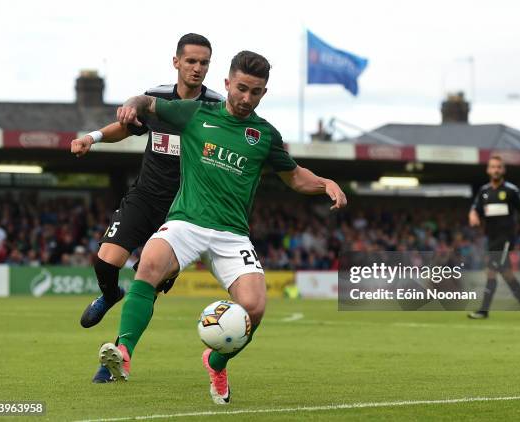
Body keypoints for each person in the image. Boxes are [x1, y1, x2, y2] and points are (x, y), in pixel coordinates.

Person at [97, 50, 347, 405]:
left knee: (254, 308)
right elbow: (149, 103)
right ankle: (124, 351)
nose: (247, 98)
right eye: (242, 88)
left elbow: (294, 177)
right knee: (149, 263)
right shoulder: (195, 113)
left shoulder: (264, 135)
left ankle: (216, 362)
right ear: (227, 83)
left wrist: (325, 183)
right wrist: (131, 104)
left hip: (232, 234)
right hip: (186, 222)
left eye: (256, 92)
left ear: (263, 93)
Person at [72, 33, 223, 383]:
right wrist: (90, 138)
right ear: (176, 62)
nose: (197, 68)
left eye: (204, 63)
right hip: (144, 199)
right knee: (105, 260)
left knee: (148, 279)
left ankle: (117, 358)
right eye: (191, 61)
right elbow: (124, 129)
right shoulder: (155, 99)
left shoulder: (217, 107)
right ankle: (110, 294)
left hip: (184, 212)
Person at [467, 155, 520, 319]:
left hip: (506, 238)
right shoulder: (484, 191)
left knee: (491, 270)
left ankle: (483, 311)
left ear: (503, 170)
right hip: (491, 238)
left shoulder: (511, 191)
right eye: (493, 167)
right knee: (506, 274)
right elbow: (474, 208)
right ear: (488, 170)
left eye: (499, 167)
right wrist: (473, 215)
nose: (496, 170)